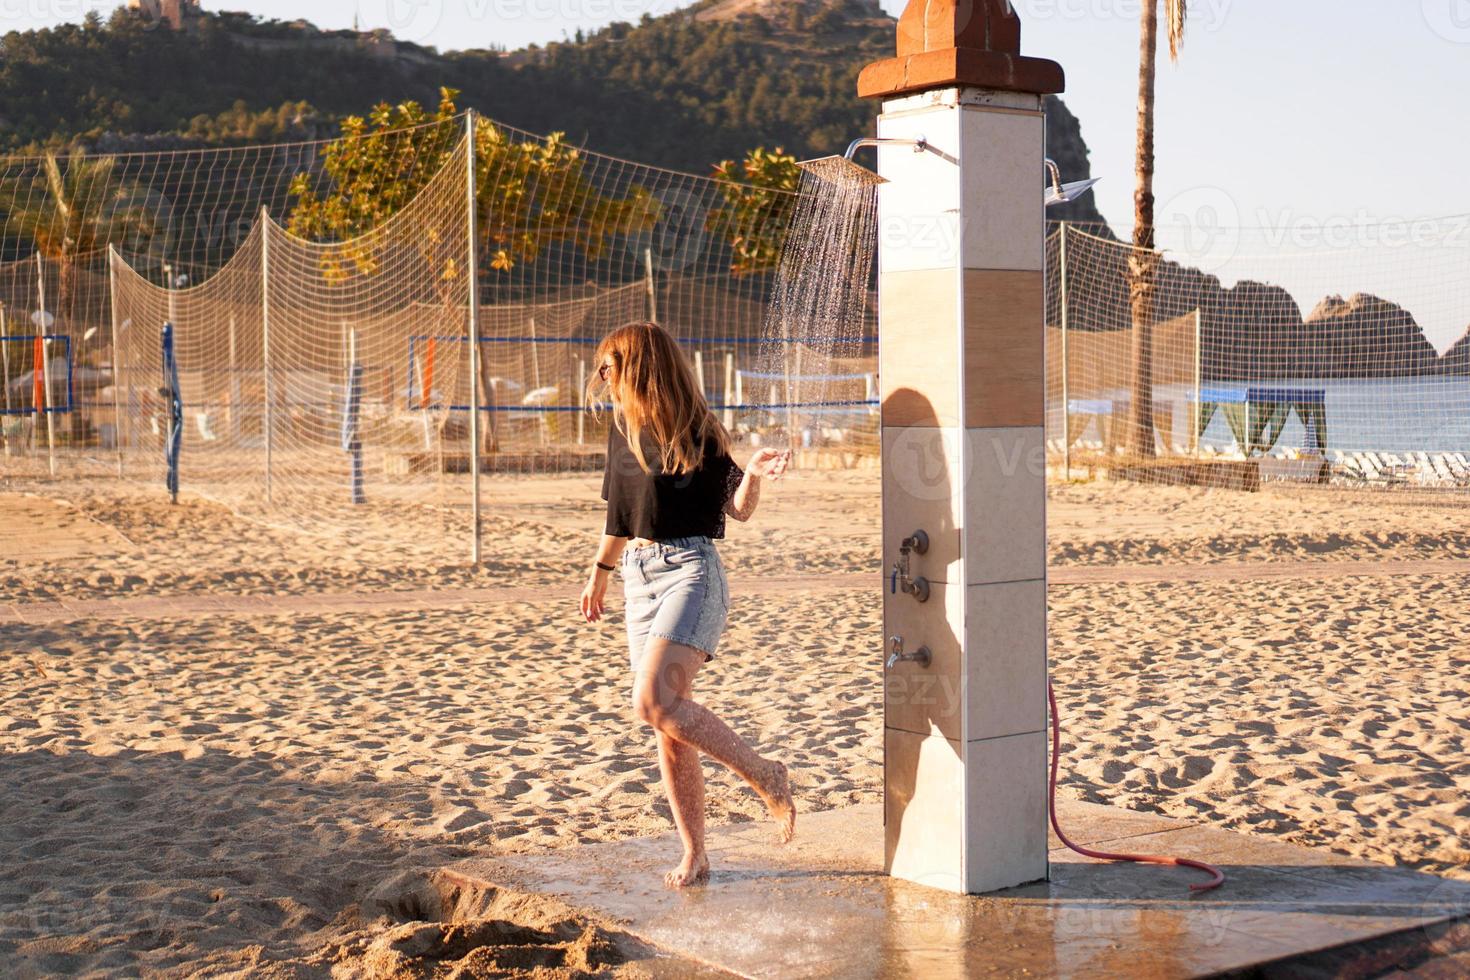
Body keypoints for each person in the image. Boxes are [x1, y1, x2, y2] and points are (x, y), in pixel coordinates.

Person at [580, 321, 796, 888]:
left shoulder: (699, 431)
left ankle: (766, 775)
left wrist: (751, 474)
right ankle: (696, 853)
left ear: (639, 367)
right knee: (668, 724)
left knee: (652, 702)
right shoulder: (622, 430)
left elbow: (739, 510)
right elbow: (619, 517)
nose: (602, 378)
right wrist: (601, 574)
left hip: (690, 575)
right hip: (638, 577)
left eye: (610, 367)